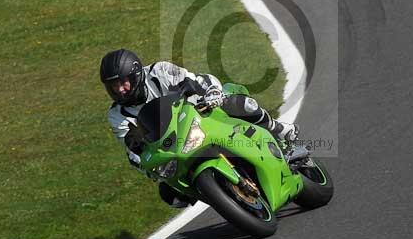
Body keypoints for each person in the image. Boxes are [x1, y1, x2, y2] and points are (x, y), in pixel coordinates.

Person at [100, 48, 298, 208]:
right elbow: (131, 151)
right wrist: (147, 167)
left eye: (122, 82)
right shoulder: (117, 115)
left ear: (135, 74)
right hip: (173, 148)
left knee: (240, 105)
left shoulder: (159, 72)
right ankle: (222, 197)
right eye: (112, 86)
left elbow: (198, 80)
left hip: (201, 114)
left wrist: (211, 93)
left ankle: (279, 129)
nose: (119, 89)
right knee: (170, 194)